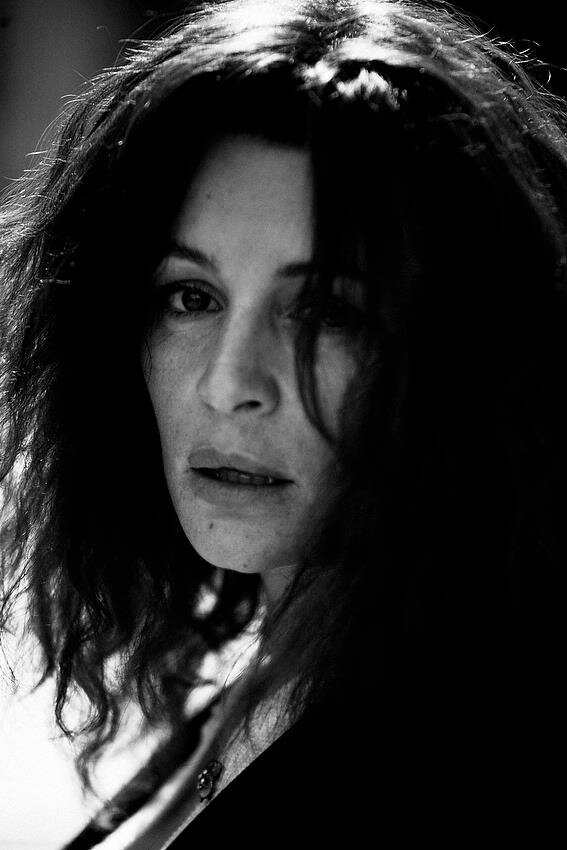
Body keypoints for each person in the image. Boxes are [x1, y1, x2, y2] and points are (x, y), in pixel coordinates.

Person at [1, 0, 566, 845]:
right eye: (190, 297)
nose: (230, 384)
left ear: (468, 351)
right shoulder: (287, 662)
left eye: (326, 312)